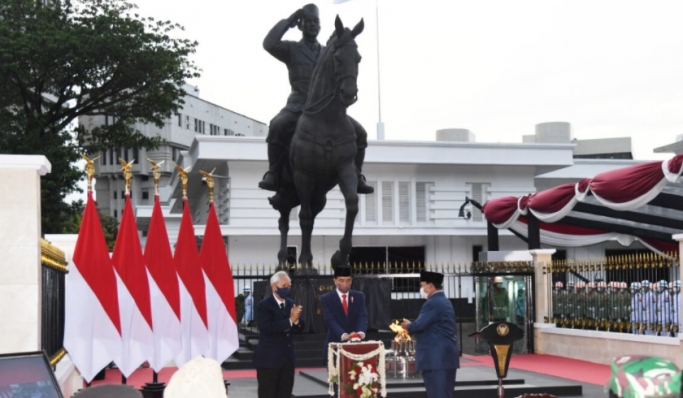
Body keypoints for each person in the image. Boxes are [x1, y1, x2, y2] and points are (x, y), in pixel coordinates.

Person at [258, 4, 373, 194]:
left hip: (328, 110)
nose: (313, 25)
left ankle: (357, 174)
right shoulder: (292, 49)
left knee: (360, 134)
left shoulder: (327, 52)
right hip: (298, 106)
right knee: (277, 125)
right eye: (308, 21)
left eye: (316, 22)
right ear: (301, 25)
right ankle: (274, 173)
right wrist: (288, 21)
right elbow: (269, 44)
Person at [402, 270, 459, 398]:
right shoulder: (445, 301)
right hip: (446, 358)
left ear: (430, 286)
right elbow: (431, 324)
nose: (421, 289)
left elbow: (418, 326)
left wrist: (407, 326)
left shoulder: (432, 303)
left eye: (422, 286)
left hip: (436, 359)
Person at [253, 271, 305, 398]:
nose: (287, 288)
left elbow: (300, 327)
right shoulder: (263, 306)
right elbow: (267, 328)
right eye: (284, 285)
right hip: (269, 361)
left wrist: (296, 320)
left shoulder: (290, 302)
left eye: (289, 285)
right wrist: (290, 321)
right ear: (274, 286)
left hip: (287, 360)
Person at [320, 266, 368, 362]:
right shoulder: (326, 298)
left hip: (356, 345)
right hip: (335, 345)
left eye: (348, 280)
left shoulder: (359, 296)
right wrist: (344, 335)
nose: (345, 284)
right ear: (335, 281)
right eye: (341, 280)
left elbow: (362, 316)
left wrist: (360, 333)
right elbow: (330, 320)